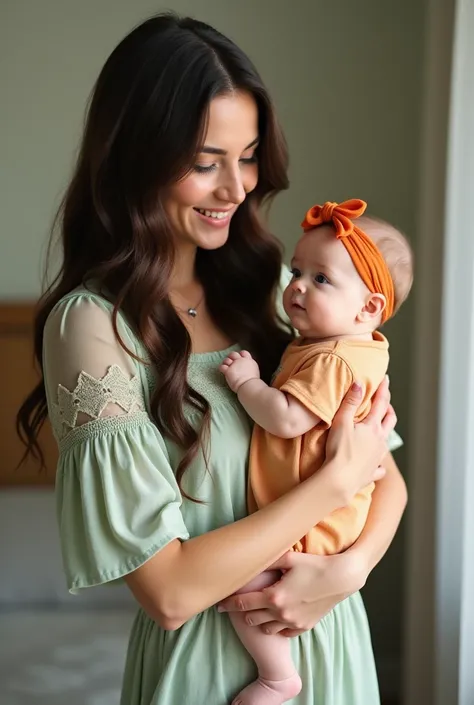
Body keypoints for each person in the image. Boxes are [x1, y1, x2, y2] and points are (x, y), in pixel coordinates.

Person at [16, 13, 407, 705]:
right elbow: (169, 591)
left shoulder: (272, 290)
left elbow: (386, 479)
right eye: (206, 163)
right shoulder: (95, 325)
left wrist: (346, 573)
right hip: (210, 671)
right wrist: (329, 487)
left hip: (333, 645)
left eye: (249, 155)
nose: (238, 188)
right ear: (135, 156)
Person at [219, 198, 413, 704]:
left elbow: (285, 417)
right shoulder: (346, 344)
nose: (297, 285)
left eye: (320, 279)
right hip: (321, 517)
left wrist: (245, 385)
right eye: (298, 271)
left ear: (368, 307)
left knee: (246, 585)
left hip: (311, 532)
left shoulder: (335, 359)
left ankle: (276, 676)